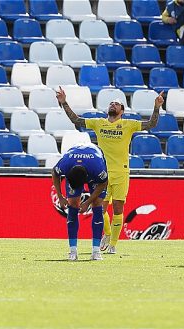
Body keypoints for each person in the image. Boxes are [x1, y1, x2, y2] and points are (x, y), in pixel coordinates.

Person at [56, 87, 163, 254]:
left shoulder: (129, 124)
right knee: (101, 207)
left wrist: (157, 106)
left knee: (119, 207)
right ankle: (106, 233)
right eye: (111, 103)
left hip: (121, 172)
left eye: (117, 104)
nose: (113, 105)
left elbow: (151, 124)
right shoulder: (99, 122)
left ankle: (113, 244)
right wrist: (64, 103)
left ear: (122, 111)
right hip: (102, 172)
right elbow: (77, 121)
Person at [52, 143, 108, 261]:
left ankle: (96, 251)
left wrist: (87, 202)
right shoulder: (65, 164)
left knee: (97, 204)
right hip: (76, 161)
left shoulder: (97, 167)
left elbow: (103, 183)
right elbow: (55, 173)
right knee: (72, 204)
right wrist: (60, 196)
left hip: (93, 164)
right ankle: (73, 251)